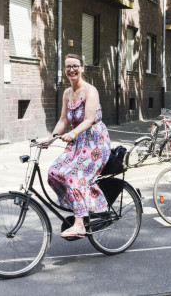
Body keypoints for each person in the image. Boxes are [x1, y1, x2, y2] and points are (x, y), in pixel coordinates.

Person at [47, 54, 111, 238]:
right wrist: (50, 139)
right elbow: (62, 120)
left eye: (75, 66)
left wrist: (73, 133)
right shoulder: (67, 93)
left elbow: (90, 119)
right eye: (68, 67)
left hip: (96, 143)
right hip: (77, 143)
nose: (71, 70)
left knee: (75, 176)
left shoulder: (90, 91)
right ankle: (79, 206)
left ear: (82, 68)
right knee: (54, 172)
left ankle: (80, 224)